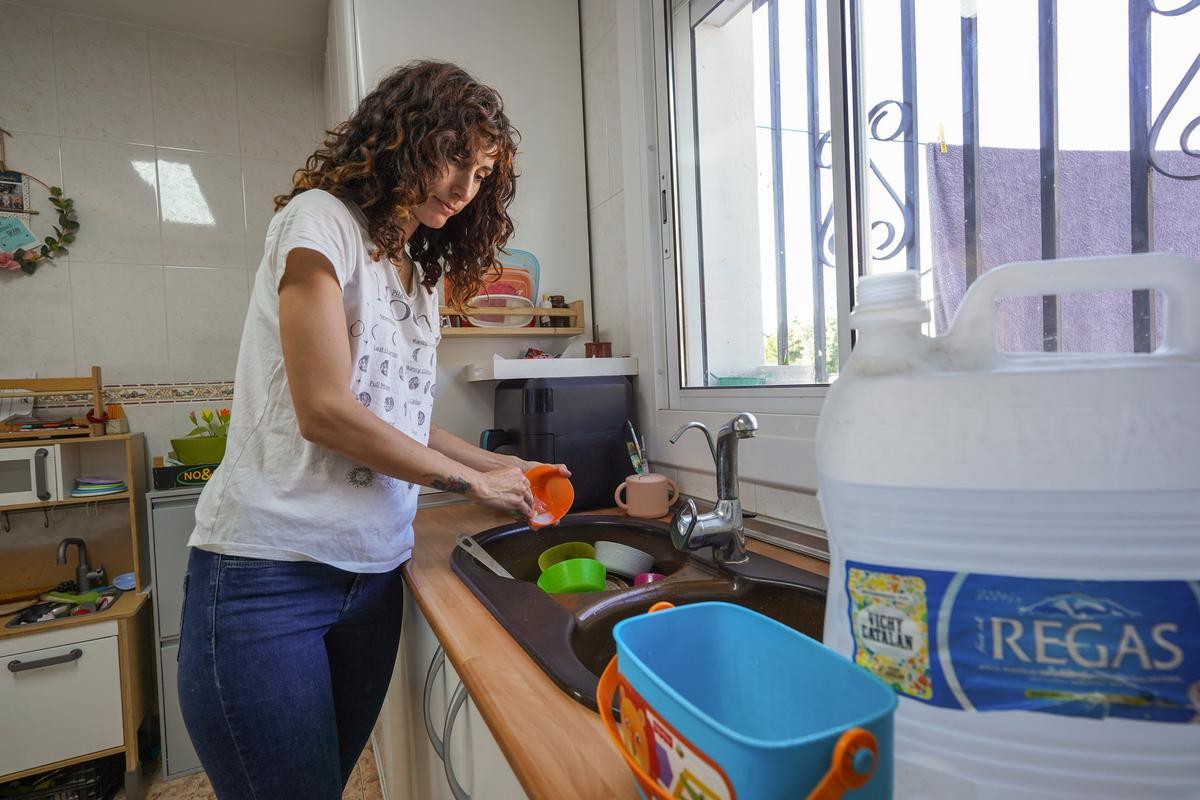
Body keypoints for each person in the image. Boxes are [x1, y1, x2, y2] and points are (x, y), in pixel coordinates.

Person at [177, 60, 568, 799]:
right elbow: (323, 410)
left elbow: (405, 422)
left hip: (373, 576)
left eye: (482, 173)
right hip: (268, 575)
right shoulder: (319, 222)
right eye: (455, 157)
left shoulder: (416, 274)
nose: (464, 187)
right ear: (404, 139)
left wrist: (496, 463)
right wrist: (468, 478)